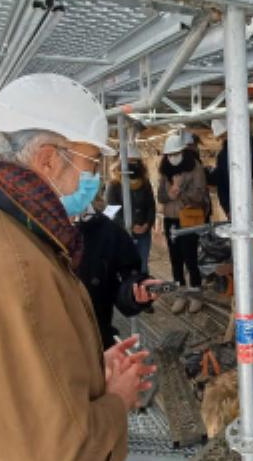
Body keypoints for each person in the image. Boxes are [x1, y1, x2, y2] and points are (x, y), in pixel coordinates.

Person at [0, 73, 154, 461]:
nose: (92, 176)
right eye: (90, 161)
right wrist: (116, 400)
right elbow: (56, 453)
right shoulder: (10, 267)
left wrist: (92, 372)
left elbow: (14, 389)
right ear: (47, 158)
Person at [77, 196, 159, 350]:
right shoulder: (29, 230)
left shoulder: (108, 231)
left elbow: (126, 281)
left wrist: (136, 291)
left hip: (98, 342)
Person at [157, 133, 208, 314]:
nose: (172, 157)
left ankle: (196, 294)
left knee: (191, 258)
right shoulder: (164, 169)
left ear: (182, 151)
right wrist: (171, 192)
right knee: (175, 259)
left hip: (189, 218)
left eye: (175, 153)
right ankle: (180, 293)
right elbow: (161, 196)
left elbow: (200, 195)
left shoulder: (195, 167)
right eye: (169, 154)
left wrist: (180, 192)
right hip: (170, 219)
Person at [105, 143, 156, 274]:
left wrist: (147, 224)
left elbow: (150, 205)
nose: (132, 164)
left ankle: (143, 290)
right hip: (123, 232)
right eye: (129, 161)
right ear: (121, 162)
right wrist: (130, 225)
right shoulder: (114, 184)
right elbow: (112, 210)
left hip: (144, 231)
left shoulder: (144, 182)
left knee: (142, 265)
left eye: (135, 161)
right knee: (126, 266)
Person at [208, 118, 253, 218]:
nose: (223, 139)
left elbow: (223, 182)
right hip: (239, 206)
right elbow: (223, 182)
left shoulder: (249, 149)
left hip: (248, 204)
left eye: (224, 136)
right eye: (222, 137)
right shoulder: (225, 154)